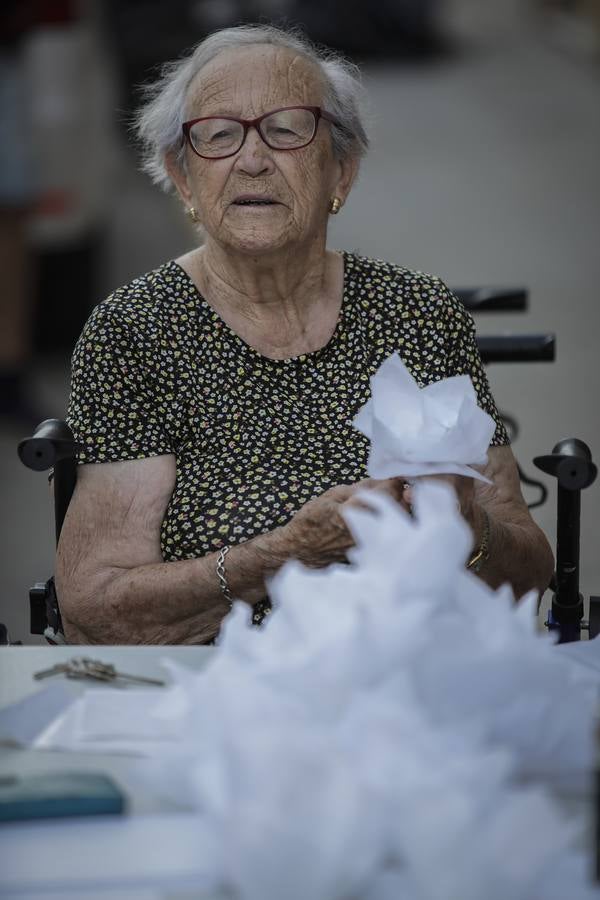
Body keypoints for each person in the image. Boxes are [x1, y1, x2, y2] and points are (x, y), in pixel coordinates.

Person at [56, 24, 554, 645]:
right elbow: (94, 608)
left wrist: (467, 526)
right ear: (183, 180)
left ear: (340, 173)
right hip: (219, 690)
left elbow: (529, 575)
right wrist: (284, 553)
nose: (253, 158)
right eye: (218, 135)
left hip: (414, 676)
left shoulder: (418, 312)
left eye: (287, 129)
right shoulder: (136, 332)